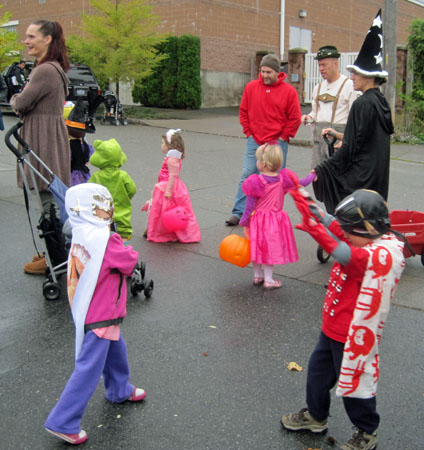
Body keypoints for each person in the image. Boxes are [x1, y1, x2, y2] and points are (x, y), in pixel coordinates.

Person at [281, 187, 405, 450]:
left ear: (368, 230)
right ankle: (316, 416)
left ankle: (366, 430)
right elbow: (337, 228)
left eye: (350, 231)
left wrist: (316, 231)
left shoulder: (375, 257)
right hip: (331, 328)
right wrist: (307, 203)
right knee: (317, 373)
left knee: (354, 386)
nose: (344, 234)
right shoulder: (362, 239)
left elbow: (342, 253)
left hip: (352, 336)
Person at [44, 183, 146, 446]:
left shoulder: (80, 233)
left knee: (116, 351)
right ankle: (63, 421)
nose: (107, 212)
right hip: (103, 313)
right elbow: (129, 262)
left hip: (91, 309)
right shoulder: (107, 239)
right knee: (88, 368)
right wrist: (126, 246)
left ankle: (119, 388)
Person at [312, 10, 394, 214]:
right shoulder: (380, 101)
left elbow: (350, 148)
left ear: (368, 76)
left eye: (356, 73)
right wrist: (338, 134)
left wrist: (321, 169)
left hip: (361, 178)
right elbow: (362, 137)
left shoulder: (362, 103)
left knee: (335, 187)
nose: (352, 77)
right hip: (377, 178)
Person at [10, 20, 70, 275]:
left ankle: (55, 259)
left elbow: (21, 103)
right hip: (48, 136)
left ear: (47, 39)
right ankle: (52, 252)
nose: (26, 41)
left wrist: (14, 97)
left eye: (32, 36)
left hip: (42, 139)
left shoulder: (44, 71)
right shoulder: (53, 68)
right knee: (49, 196)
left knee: (46, 198)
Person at [225, 53, 301, 226]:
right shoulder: (251, 87)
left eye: (269, 72)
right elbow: (243, 111)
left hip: (277, 142)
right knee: (248, 174)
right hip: (255, 140)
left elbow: (295, 117)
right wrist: (249, 133)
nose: (265, 75)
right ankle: (239, 212)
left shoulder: (289, 92)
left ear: (277, 72)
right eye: (263, 71)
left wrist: (283, 137)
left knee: (276, 180)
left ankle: (272, 213)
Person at [239, 142, 315, 289]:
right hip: (275, 221)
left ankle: (257, 276)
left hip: (258, 220)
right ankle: (269, 279)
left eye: (257, 160)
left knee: (257, 247)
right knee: (270, 250)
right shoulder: (283, 180)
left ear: (263, 164)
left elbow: (249, 207)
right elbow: (301, 183)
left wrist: (244, 222)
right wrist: (313, 175)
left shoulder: (256, 182)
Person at [300, 45, 358, 168]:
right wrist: (308, 117)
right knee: (317, 174)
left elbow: (354, 118)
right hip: (319, 140)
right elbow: (315, 112)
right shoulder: (318, 88)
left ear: (335, 64)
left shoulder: (349, 86)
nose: (321, 69)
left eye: (324, 65)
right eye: (319, 65)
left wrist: (347, 139)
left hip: (338, 139)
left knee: (338, 175)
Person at [142, 129, 201, 243]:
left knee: (166, 211)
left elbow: (173, 176)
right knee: (162, 210)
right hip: (164, 186)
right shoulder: (172, 157)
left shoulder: (172, 159)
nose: (161, 145)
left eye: (163, 143)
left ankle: (165, 233)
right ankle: (158, 231)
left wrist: (169, 190)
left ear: (169, 146)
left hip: (167, 187)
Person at [88, 138, 136, 242]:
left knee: (103, 239)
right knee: (122, 237)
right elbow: (132, 189)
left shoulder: (96, 176)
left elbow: (89, 192)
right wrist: (125, 197)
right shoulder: (123, 176)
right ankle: (122, 248)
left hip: (102, 215)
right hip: (121, 216)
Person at [64, 99, 95, 186]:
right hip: (84, 173)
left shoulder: (68, 146)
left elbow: (66, 160)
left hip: (71, 174)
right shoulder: (85, 145)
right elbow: (88, 159)